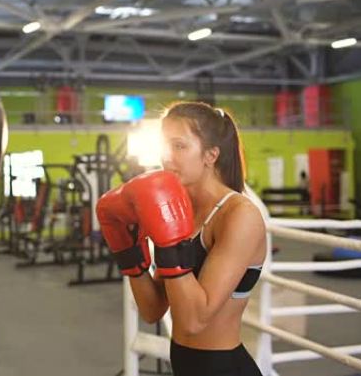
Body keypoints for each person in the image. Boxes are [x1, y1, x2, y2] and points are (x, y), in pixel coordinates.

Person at [97, 102, 266, 376]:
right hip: (185, 365)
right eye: (164, 146)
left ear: (211, 155)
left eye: (179, 146)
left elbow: (193, 321)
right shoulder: (182, 209)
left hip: (223, 368)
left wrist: (169, 244)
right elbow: (152, 309)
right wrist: (131, 253)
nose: (167, 157)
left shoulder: (239, 215)